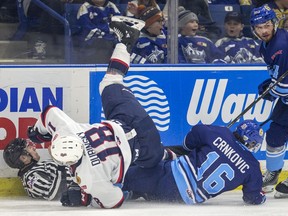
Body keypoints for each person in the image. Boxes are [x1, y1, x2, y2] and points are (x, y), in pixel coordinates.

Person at [26, 17, 174, 208]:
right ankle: (126, 42)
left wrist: (86, 196)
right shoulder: (68, 130)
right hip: (129, 119)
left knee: (157, 160)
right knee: (111, 82)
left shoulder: (88, 177)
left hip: (146, 147)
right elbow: (49, 112)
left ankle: (178, 156)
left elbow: (115, 200)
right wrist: (37, 133)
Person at [122, 120, 266, 205]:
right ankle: (134, 191)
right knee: (147, 188)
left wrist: (191, 147)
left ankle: (115, 187)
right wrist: (262, 197)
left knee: (127, 175)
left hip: (169, 177)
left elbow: (195, 133)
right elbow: (252, 198)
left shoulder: (221, 133)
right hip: (182, 199)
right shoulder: (253, 167)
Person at [250, 4, 288, 197]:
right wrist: (271, 84)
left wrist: (273, 90)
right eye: (259, 27)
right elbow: (280, 77)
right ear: (253, 29)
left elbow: (283, 86)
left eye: (266, 25)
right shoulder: (266, 46)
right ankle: (272, 175)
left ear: (273, 23)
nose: (263, 30)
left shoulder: (281, 46)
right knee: (275, 135)